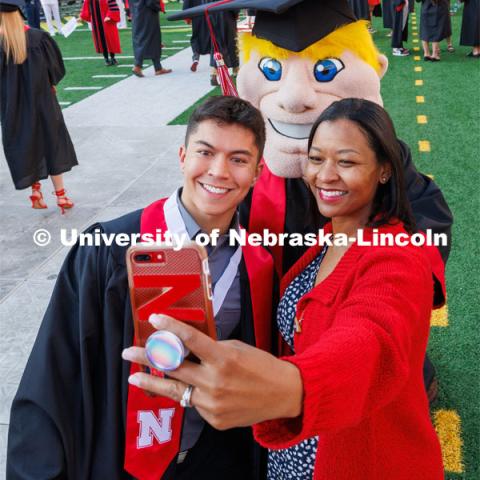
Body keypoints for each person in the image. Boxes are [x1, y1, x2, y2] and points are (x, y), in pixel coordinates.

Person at [124, 98, 445, 480]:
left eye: (346, 162)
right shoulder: (324, 241)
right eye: (315, 158)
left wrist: (296, 388)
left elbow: (372, 337)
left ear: (384, 171)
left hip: (356, 455)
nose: (325, 175)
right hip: (293, 447)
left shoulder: (398, 255)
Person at [171, 0, 452, 401]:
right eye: (272, 71)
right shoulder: (252, 158)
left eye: (325, 71)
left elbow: (422, 236)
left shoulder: (383, 160)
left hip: (350, 340)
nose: (294, 98)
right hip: (270, 337)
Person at [7, 96, 274, 479]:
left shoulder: (257, 264)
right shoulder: (110, 249)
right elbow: (55, 371)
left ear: (257, 171)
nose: (219, 171)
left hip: (217, 460)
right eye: (205, 152)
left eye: (238, 159)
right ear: (182, 156)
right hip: (120, 459)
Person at [0, 0, 76, 212]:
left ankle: (35, 191)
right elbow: (57, 69)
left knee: (27, 144)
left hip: (12, 107)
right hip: (43, 102)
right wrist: (50, 83)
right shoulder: (37, 37)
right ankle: (61, 196)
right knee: (51, 142)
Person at [130, 0, 171, 77]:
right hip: (148, 15)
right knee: (151, 39)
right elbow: (151, 2)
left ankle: (157, 67)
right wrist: (158, 7)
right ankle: (138, 66)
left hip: (136, 13)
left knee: (141, 39)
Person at [80, 0, 121, 66]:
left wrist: (109, 15)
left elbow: (113, 6)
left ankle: (113, 58)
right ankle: (106, 59)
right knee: (101, 41)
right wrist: (81, 17)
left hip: (107, 22)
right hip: (96, 23)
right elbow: (86, 7)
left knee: (110, 40)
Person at [183, 0, 210, 72]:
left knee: (196, 37)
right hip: (210, 12)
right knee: (211, 36)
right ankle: (214, 59)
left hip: (196, 14)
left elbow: (187, 2)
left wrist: (186, 16)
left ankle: (196, 57)